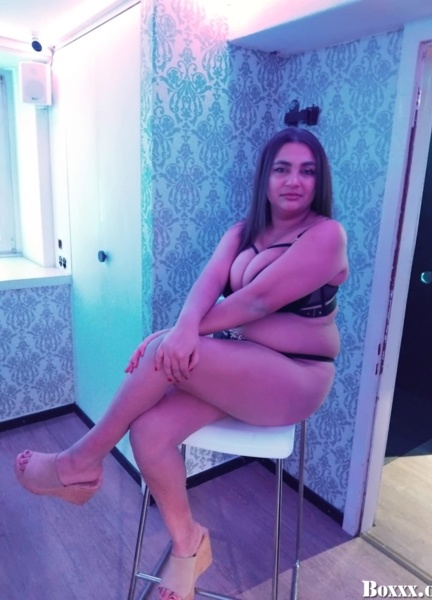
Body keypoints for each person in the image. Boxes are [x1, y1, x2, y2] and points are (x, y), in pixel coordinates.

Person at [15, 126, 349, 600]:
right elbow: (206, 285)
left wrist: (172, 336)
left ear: (320, 180)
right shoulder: (242, 232)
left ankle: (79, 462)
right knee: (148, 431)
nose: (294, 180)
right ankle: (188, 543)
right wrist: (179, 328)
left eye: (307, 171)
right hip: (244, 369)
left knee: (163, 353)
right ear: (265, 177)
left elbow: (255, 303)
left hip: (296, 379)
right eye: (282, 169)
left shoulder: (326, 235)